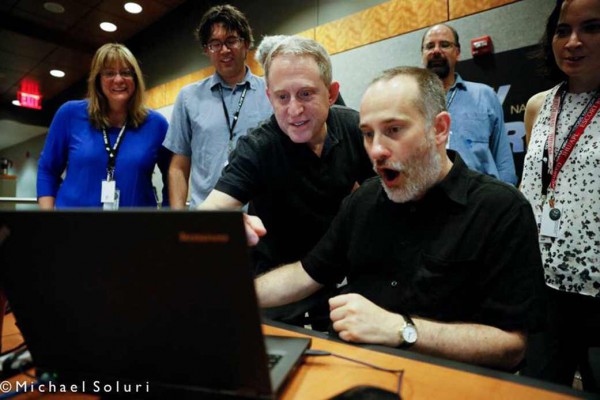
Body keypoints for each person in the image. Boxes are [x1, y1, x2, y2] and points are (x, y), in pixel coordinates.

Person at [254, 66, 546, 371]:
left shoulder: (500, 209)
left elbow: (511, 346)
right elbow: (305, 274)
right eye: (368, 134)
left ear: (440, 129)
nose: (376, 150)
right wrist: (234, 293)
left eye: (393, 130)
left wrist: (399, 329)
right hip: (357, 373)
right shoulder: (363, 201)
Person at [201, 36, 374, 327]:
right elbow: (208, 213)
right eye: (282, 97)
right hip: (276, 290)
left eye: (306, 94)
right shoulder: (258, 147)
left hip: (337, 287)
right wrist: (224, 224)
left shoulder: (354, 128)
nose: (294, 110)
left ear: (331, 94)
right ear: (269, 98)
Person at [520, 0, 600, 392]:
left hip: (598, 288)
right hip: (544, 286)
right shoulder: (538, 106)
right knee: (536, 388)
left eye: (591, 27)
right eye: (562, 30)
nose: (573, 41)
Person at [163, 4, 272, 209]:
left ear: (246, 43)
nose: (224, 50)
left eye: (231, 41)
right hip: (206, 218)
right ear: (206, 50)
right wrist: (177, 220)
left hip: (260, 219)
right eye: (215, 44)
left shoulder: (272, 92)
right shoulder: (188, 98)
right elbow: (178, 167)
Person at [37, 43, 170, 209]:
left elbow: (173, 175)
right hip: (74, 229)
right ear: (97, 79)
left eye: (126, 73)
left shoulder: (156, 125)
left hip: (136, 230)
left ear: (136, 79)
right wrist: (49, 220)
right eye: (109, 73)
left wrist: (166, 222)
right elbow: (47, 170)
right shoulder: (69, 114)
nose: (119, 79)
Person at [421, 24, 517, 185]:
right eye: (430, 46)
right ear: (422, 54)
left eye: (444, 44)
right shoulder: (411, 103)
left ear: (457, 53)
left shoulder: (484, 95)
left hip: (480, 200)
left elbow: (503, 159)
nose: (436, 50)